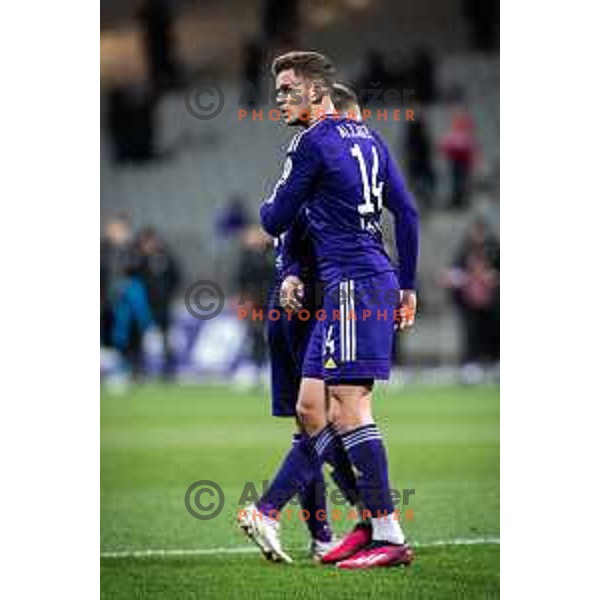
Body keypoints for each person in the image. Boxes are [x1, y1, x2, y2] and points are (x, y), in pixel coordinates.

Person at [243, 51, 419, 570]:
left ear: (318, 93)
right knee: (313, 408)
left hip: (350, 286)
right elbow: (405, 211)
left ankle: (385, 532)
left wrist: (267, 210)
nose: (280, 100)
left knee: (349, 409)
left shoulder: (312, 142)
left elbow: (275, 218)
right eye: (276, 91)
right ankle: (367, 526)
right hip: (367, 281)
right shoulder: (372, 138)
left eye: (289, 90)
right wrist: (407, 285)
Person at [239, 85, 365, 562]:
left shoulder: (301, 174)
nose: (360, 138)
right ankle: (366, 516)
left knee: (310, 425)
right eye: (354, 126)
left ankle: (323, 535)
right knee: (330, 420)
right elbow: (291, 233)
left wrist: (289, 272)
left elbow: (277, 222)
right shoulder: (331, 177)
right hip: (311, 306)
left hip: (287, 305)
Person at [135, 229, 180, 378]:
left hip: (163, 304)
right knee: (139, 335)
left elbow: (176, 276)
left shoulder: (166, 257)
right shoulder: (139, 259)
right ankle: (138, 369)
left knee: (166, 337)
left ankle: (168, 370)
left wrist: (168, 294)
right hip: (143, 304)